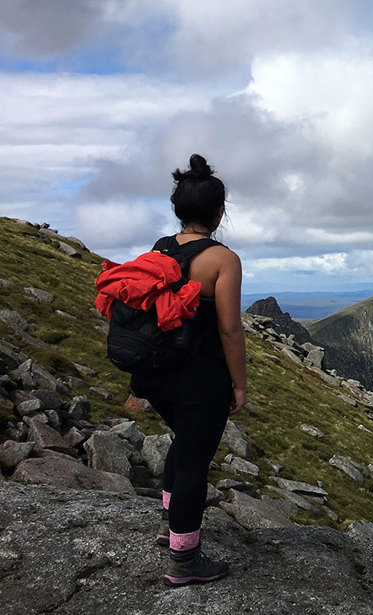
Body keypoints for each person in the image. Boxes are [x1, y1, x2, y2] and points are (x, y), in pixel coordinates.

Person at [131, 154, 247, 587]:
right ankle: (184, 560)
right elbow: (230, 329)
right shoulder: (223, 259)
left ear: (178, 209)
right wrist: (239, 384)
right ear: (219, 212)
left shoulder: (160, 248)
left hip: (156, 376)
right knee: (196, 463)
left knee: (184, 444)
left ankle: (169, 526)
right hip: (200, 380)